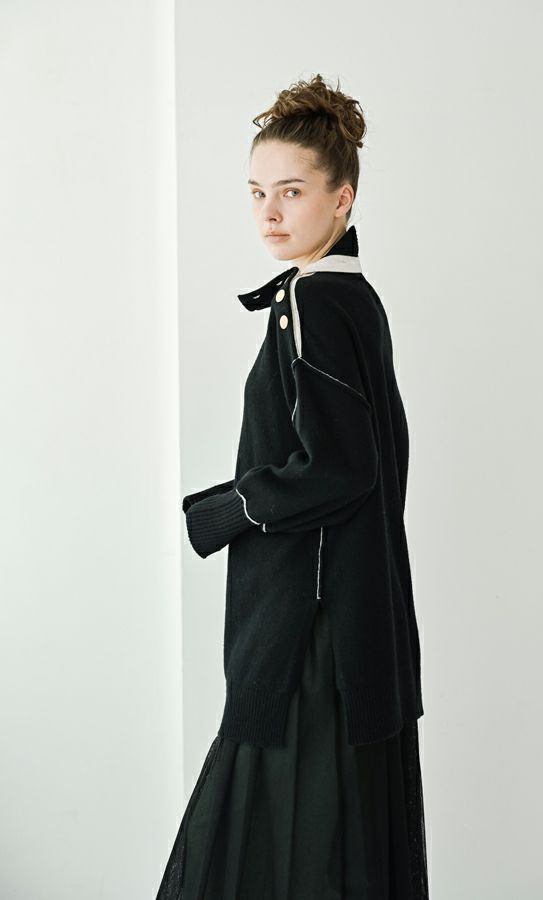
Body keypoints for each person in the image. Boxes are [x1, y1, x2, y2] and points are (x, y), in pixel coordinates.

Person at [156, 73, 429, 899]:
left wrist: (227, 509)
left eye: (292, 191)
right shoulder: (352, 297)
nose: (269, 213)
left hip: (310, 631)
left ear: (342, 199)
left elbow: (343, 467)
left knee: (267, 844)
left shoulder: (313, 298)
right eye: (256, 192)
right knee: (335, 845)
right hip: (351, 624)